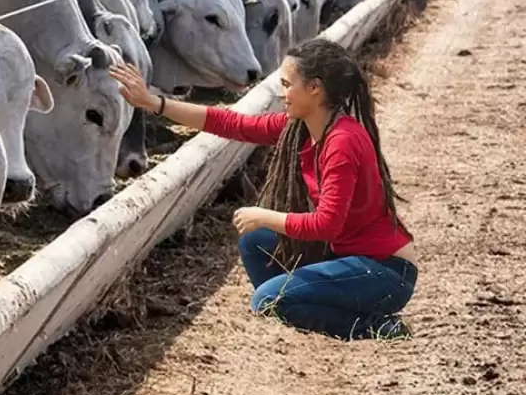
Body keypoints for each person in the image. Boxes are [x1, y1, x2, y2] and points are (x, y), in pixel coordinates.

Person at [111, 37, 417, 340]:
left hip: (385, 272)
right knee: (255, 241)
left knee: (266, 298)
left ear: (314, 88)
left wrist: (264, 215)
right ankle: (296, 304)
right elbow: (230, 123)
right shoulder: (301, 129)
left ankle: (374, 326)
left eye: (287, 84)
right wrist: (154, 103)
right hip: (349, 258)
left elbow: (327, 224)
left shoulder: (342, 141)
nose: (282, 93)